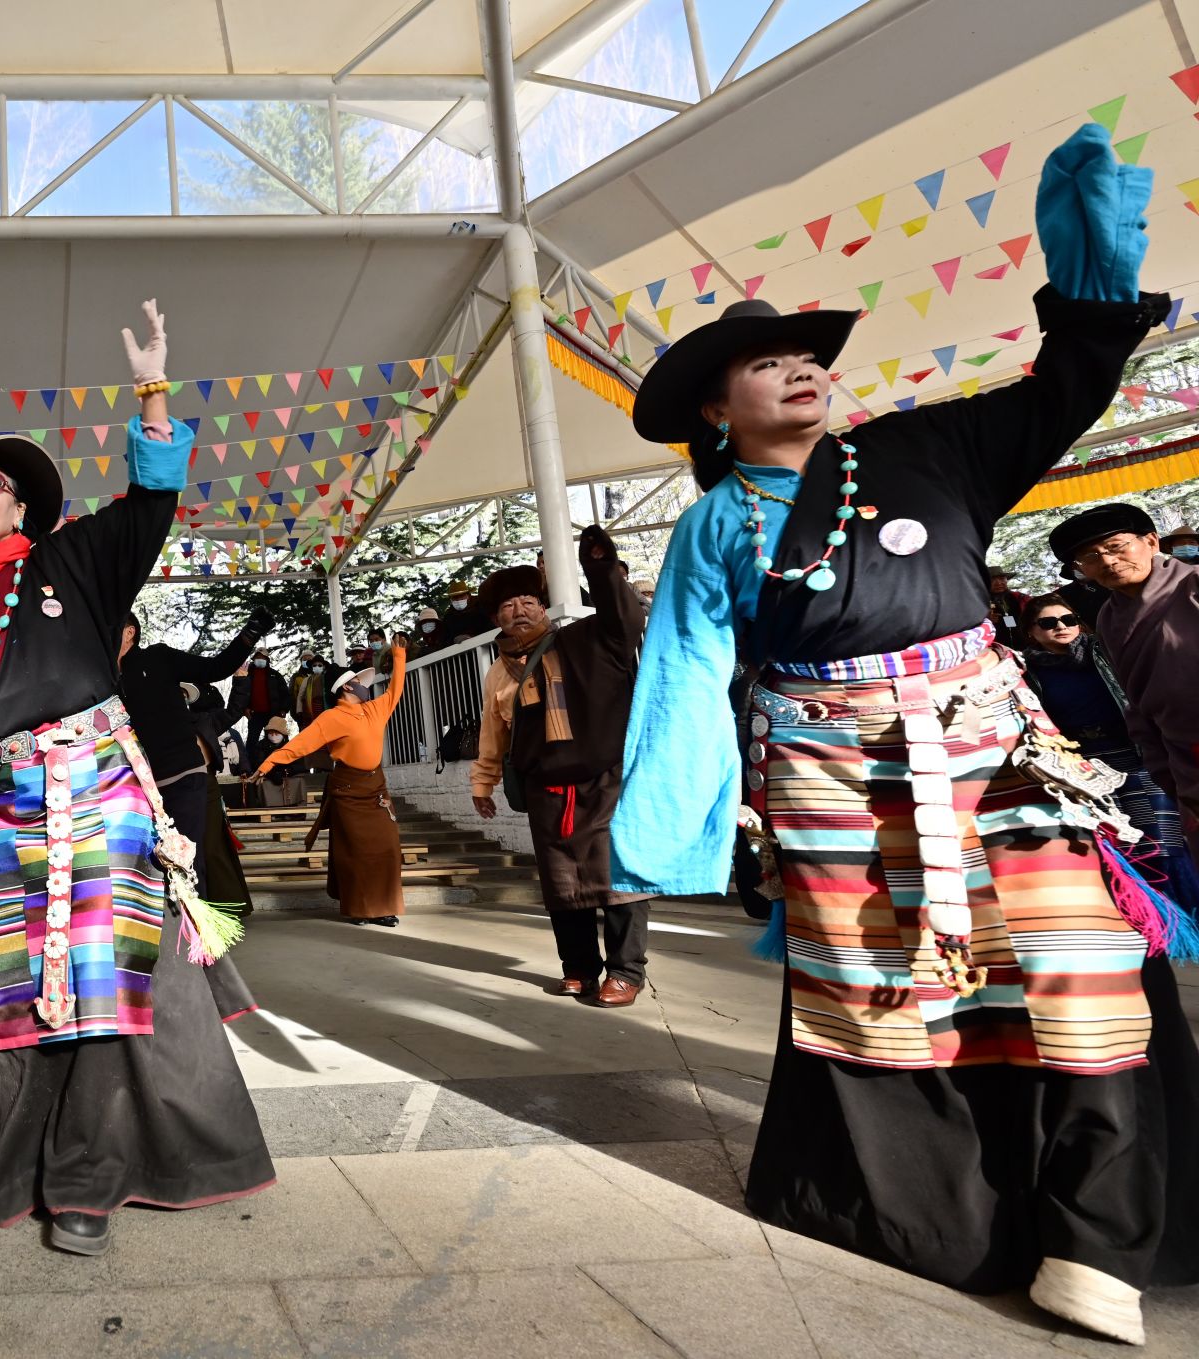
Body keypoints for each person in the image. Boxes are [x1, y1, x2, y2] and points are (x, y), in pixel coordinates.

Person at [606, 125, 1199, 1344]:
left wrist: (1089, 275)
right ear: (714, 410)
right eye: (764, 365)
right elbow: (684, 676)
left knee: (1079, 973)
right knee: (893, 997)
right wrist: (669, 831)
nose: (798, 372)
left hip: (997, 754)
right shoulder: (713, 526)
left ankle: (1095, 1242)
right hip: (831, 777)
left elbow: (1062, 391)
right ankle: (952, 1226)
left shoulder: (928, 446)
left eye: (803, 357)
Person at [0, 301, 273, 1257]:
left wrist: (152, 394)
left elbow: (151, 501)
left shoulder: (78, 559)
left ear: (21, 504)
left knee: (102, 991)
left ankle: (87, 1177)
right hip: (0, 808)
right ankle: (18, 1152)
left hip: (104, 791)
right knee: (9, 992)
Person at [470, 527, 650, 1006]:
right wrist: (483, 782)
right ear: (496, 619)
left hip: (606, 780)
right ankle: (579, 969)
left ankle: (626, 972)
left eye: (528, 601)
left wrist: (600, 568)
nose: (519, 610)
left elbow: (625, 619)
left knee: (619, 881)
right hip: (545, 788)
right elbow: (494, 732)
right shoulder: (497, 671)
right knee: (562, 885)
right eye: (508, 605)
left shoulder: (589, 638)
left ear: (544, 607)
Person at [1018, 590, 1199, 912]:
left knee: (1163, 839)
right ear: (1031, 631)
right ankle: (1150, 921)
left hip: (1136, 754)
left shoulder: (1104, 650)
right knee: (1122, 845)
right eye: (1048, 623)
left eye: (1068, 619)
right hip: (1084, 767)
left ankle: (1187, 918)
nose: (1061, 627)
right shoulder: (1025, 671)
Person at [1055, 503, 1199, 845]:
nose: (1107, 561)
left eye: (1116, 546)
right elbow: (1133, 699)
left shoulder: (1194, 585)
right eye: (1090, 557)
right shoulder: (1108, 618)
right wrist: (1166, 771)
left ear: (1151, 542)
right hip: (1185, 764)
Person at [119, 607, 270, 904]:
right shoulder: (104, 677)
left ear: (129, 632)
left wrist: (249, 634)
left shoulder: (158, 657)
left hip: (183, 777)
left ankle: (196, 929)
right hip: (134, 785)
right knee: (145, 863)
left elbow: (215, 668)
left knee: (185, 858)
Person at [253, 638, 407, 926]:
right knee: (356, 852)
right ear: (347, 687)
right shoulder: (332, 717)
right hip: (348, 789)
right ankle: (360, 908)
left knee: (387, 847)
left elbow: (395, 690)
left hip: (376, 788)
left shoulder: (375, 709)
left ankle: (384, 906)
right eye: (358, 681)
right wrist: (268, 763)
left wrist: (399, 656)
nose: (363, 685)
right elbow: (300, 744)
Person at [242, 646, 290, 744]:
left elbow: (285, 693)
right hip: (254, 715)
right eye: (258, 657)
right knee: (252, 740)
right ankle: (251, 755)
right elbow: (241, 692)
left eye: (263, 657)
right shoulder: (246, 674)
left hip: (273, 714)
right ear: (253, 659)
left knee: (275, 740)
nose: (260, 659)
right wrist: (244, 708)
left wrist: (284, 709)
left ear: (267, 660)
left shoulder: (275, 675)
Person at [986, 563, 1030, 649]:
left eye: (1002, 578)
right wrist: (986, 619)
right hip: (995, 648)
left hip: (1025, 645)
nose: (998, 583)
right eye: (992, 580)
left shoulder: (1020, 598)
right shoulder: (980, 602)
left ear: (1006, 580)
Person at [438, 580, 488, 645]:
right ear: (451, 600)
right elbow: (444, 638)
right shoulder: (449, 616)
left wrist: (473, 636)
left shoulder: (481, 606)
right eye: (455, 597)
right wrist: (454, 640)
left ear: (468, 595)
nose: (458, 599)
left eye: (461, 596)